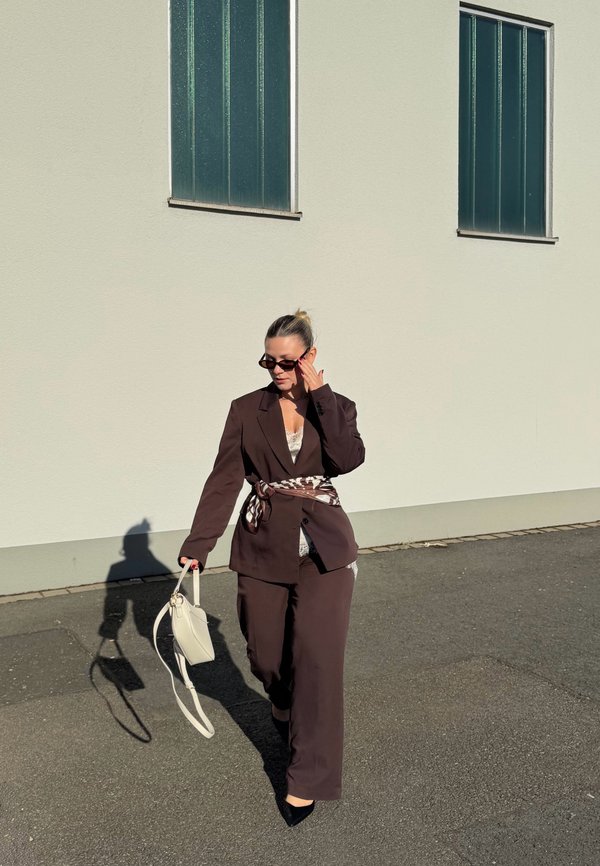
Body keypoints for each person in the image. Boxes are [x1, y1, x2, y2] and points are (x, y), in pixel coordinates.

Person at [178, 309, 365, 826]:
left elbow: (347, 459)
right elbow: (224, 479)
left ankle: (306, 777)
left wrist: (320, 395)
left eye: (287, 361)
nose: (276, 370)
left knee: (319, 663)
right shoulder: (245, 410)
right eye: (268, 360)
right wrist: (199, 542)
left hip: (324, 550)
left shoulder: (337, 406)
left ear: (308, 358)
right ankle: (279, 702)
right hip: (262, 544)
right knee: (265, 656)